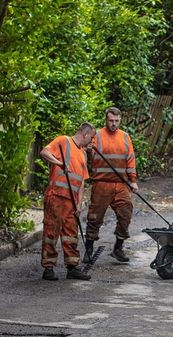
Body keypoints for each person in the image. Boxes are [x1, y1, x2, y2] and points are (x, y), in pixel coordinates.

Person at [39, 123, 94, 281]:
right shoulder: (63, 141)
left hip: (71, 200)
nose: (92, 141)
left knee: (70, 234)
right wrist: (59, 163)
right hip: (56, 195)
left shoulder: (83, 154)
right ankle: (48, 267)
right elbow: (44, 152)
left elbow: (82, 181)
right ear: (84, 134)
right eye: (91, 137)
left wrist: (79, 203)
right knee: (51, 231)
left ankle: (72, 267)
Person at [85, 107, 138, 263]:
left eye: (116, 121)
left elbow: (130, 159)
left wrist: (133, 180)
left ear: (120, 120)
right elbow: (85, 155)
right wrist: (87, 151)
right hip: (101, 184)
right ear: (105, 120)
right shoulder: (97, 136)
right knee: (94, 218)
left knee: (125, 214)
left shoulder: (125, 137)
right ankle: (89, 249)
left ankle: (118, 248)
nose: (114, 124)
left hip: (121, 184)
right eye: (111, 121)